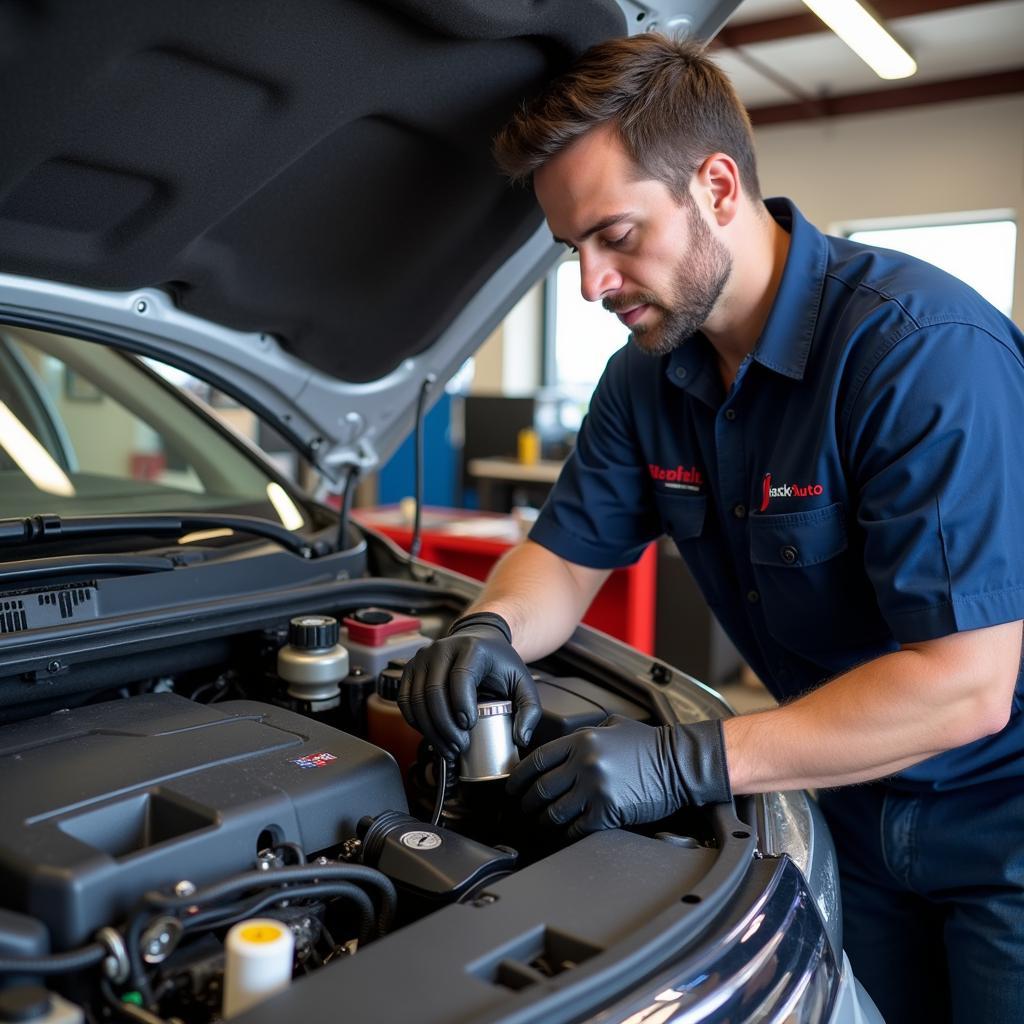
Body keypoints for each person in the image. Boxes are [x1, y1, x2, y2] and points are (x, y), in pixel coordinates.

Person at [398, 33, 1024, 1023]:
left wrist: (688, 759)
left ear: (718, 187)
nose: (592, 284)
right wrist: (488, 629)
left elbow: (967, 685)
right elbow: (561, 557)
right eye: (573, 250)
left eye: (615, 235)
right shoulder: (646, 379)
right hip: (842, 805)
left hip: (1004, 825)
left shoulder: (919, 355)